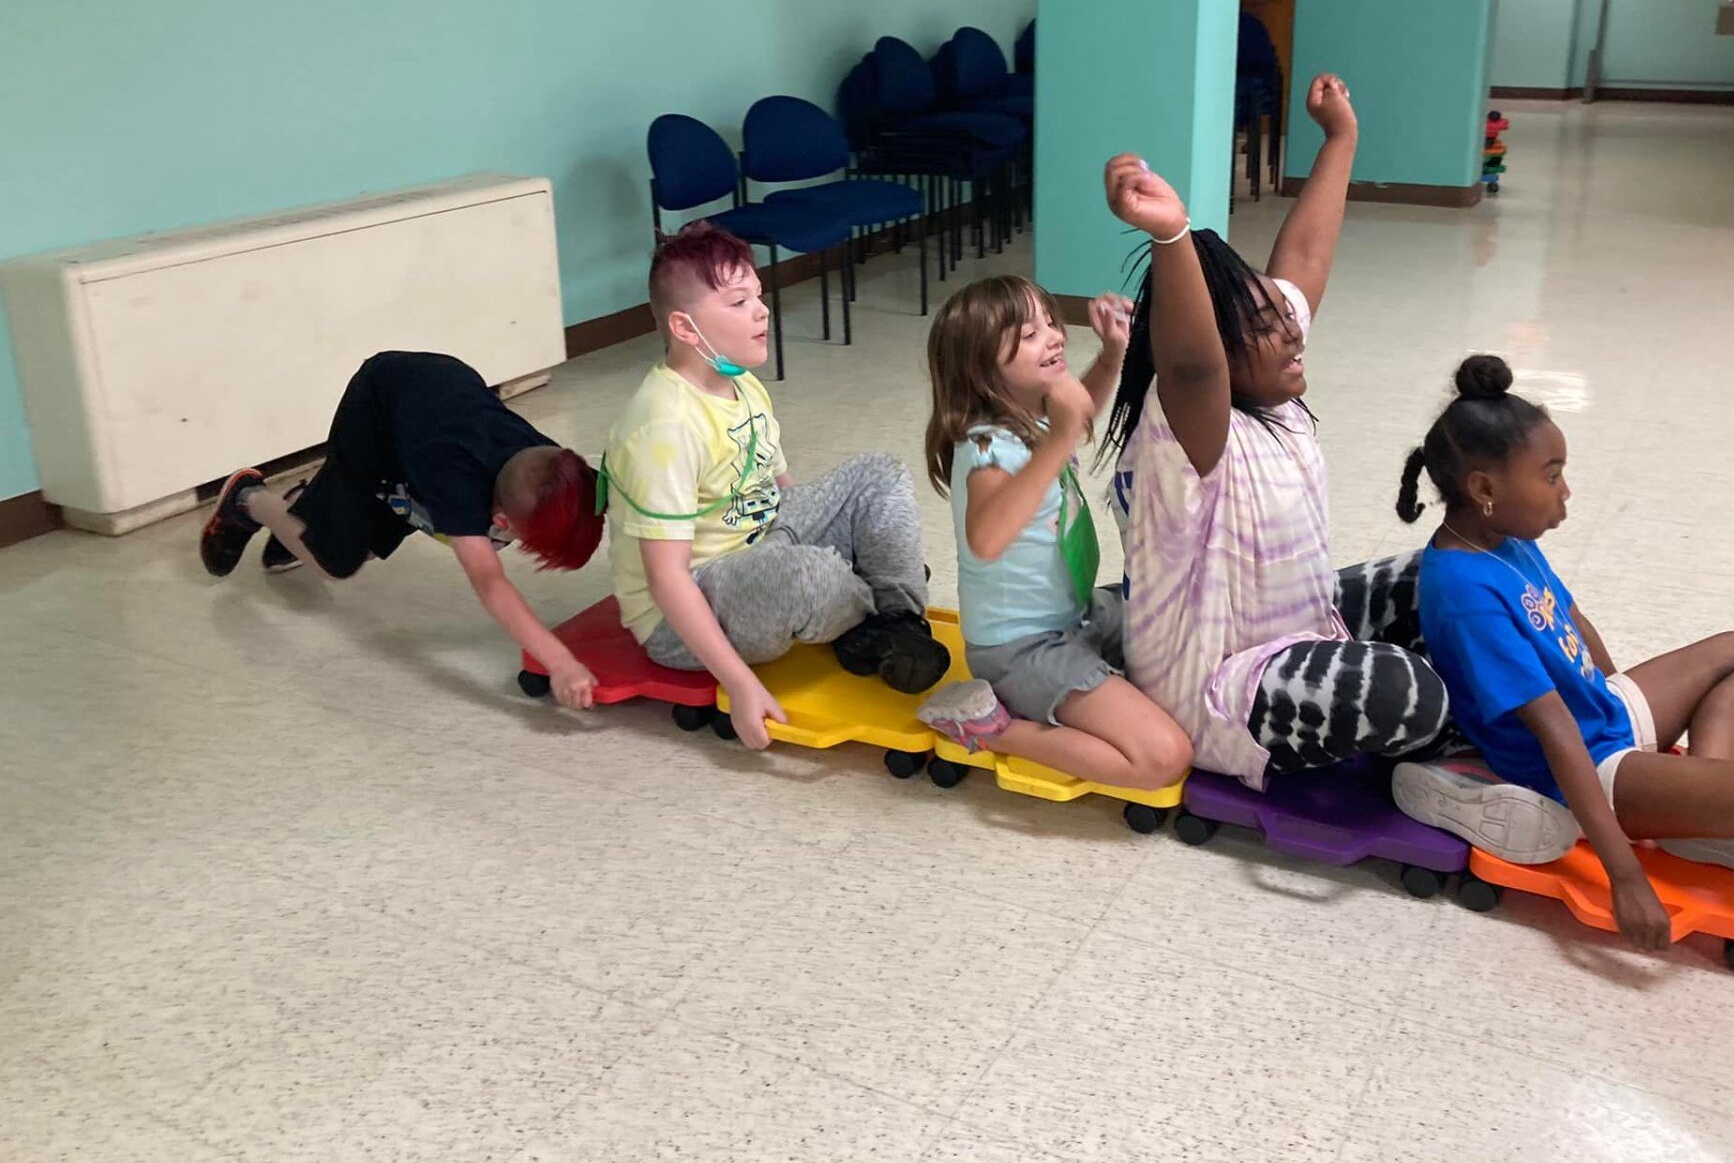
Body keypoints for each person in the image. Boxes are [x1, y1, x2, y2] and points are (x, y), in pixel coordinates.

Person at [1390, 355, 1734, 951]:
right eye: (1550, 475)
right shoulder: (1464, 592)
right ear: (1485, 488)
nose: (1565, 490)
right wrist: (1626, 876)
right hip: (1580, 767)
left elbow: (1571, 616)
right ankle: (1712, 802)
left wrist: (1628, 703)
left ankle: (1703, 806)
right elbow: (1556, 734)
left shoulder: (1503, 538)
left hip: (1602, 715)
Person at [1100, 73, 1451, 791]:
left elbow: (1305, 260)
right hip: (1217, 692)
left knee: (1451, 577)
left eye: (1286, 317)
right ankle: (1463, 755)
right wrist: (1170, 234)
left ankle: (1484, 720)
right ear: (1223, 358)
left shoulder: (1274, 382)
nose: (1295, 330)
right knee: (1407, 692)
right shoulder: (1191, 434)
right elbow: (1193, 367)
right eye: (1268, 326)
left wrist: (1341, 136)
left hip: (1301, 628)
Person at [603, 222, 948, 750]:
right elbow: (668, 579)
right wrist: (740, 685)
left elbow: (780, 488)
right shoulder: (662, 426)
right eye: (739, 302)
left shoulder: (742, 383)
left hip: (761, 544)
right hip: (690, 605)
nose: (762, 311)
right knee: (807, 575)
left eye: (758, 297)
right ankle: (867, 605)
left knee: (881, 473)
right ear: (686, 327)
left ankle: (897, 623)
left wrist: (823, 532)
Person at [198, 351, 606, 708]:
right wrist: (561, 662)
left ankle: (311, 512)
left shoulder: (557, 472)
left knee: (371, 540)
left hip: (433, 401)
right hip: (377, 412)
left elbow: (626, 496)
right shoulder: (455, 484)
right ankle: (249, 501)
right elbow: (488, 581)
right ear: (501, 517)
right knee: (336, 562)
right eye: (521, 535)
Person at [920, 277, 1192, 789]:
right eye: (1029, 333)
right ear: (980, 366)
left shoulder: (1031, 415)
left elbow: (1076, 414)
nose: (1054, 335)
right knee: (1164, 757)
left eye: (1050, 321)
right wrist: (1065, 432)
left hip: (1075, 615)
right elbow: (986, 540)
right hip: (1020, 650)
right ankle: (986, 726)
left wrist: (1113, 355)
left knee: (1175, 616)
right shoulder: (986, 450)